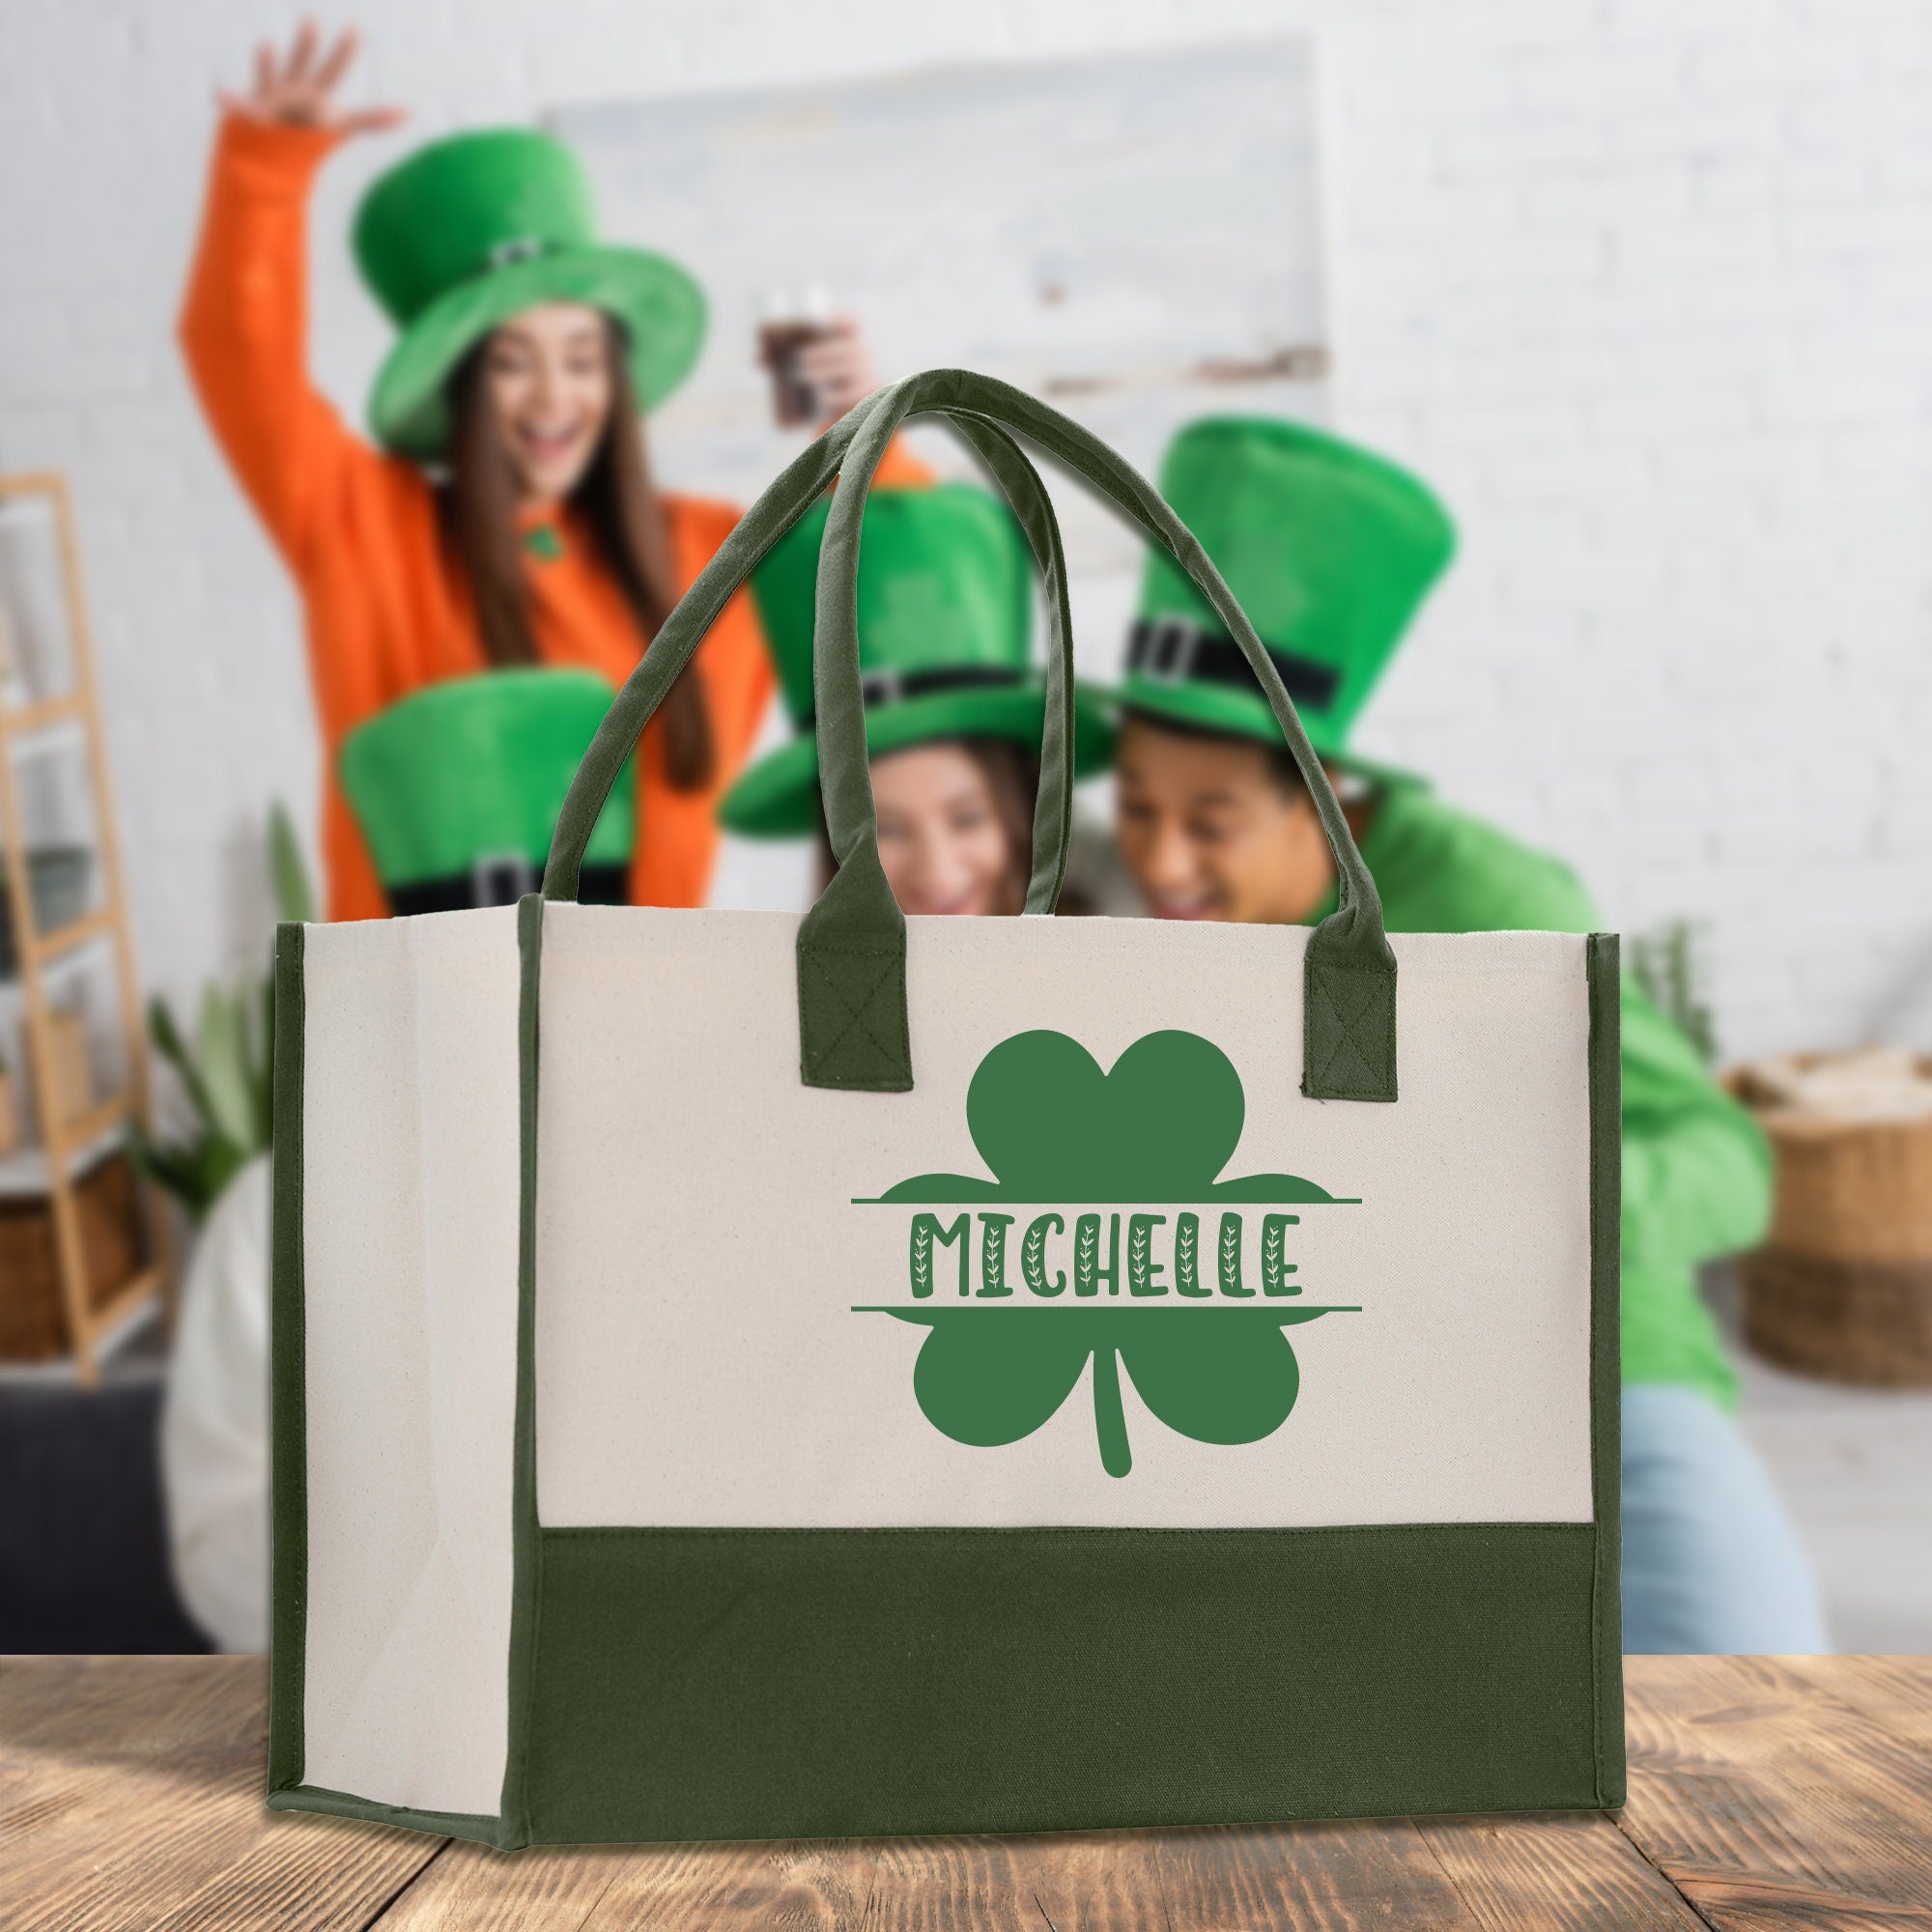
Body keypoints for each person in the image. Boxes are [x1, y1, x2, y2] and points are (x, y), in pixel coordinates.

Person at [1104, 413, 1829, 1654]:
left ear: (1321, 792)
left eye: (1212, 819)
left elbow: (1722, 1156)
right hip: (1317, 1395)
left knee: (1755, 1698)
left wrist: (1536, 1205)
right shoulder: (1116, 909)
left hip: (1593, 1374)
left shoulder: (1492, 904)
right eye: (1134, 806)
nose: (1162, 858)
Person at [180, 24, 923, 923]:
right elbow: (239, 361)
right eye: (509, 362)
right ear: (461, 386)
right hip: (414, 1021)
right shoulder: (365, 524)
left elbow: (897, 599)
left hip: (629, 1019)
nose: (552, 398)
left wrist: (873, 439)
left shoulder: (706, 551)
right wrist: (267, 167)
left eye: (581, 357)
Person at [718, 482, 1114, 916]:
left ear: (1023, 803)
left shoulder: (1120, 933)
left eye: (968, 818)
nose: (937, 874)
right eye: (885, 830)